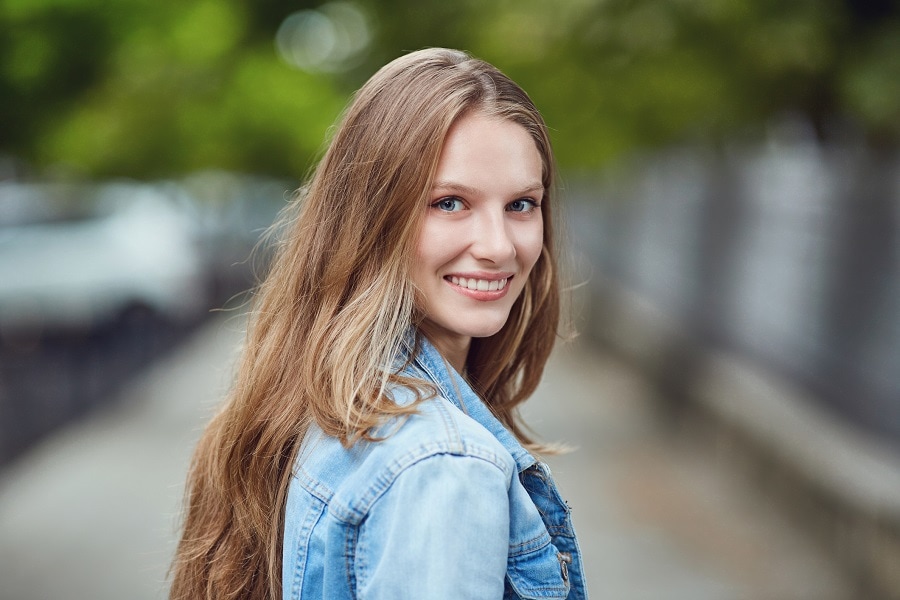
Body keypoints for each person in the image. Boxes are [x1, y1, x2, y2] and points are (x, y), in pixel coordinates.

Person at [169, 47, 587, 599]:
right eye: (449, 203)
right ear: (371, 217)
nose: (498, 246)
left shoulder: (323, 401)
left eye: (521, 205)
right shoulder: (444, 471)